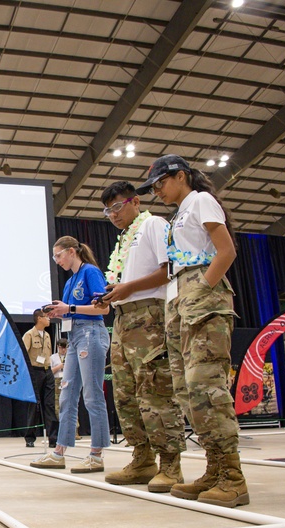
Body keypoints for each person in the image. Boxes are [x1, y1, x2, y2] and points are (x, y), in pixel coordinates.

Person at [136, 154, 248, 507]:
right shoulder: (177, 214)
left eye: (161, 183)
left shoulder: (200, 200)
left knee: (206, 386)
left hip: (200, 294)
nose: (157, 192)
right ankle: (215, 469)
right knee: (186, 390)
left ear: (181, 176)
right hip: (179, 299)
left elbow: (226, 250)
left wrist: (203, 288)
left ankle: (233, 477)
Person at [97, 181, 186, 492]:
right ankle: (142, 458)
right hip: (123, 318)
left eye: (117, 207)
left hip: (149, 316)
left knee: (155, 389)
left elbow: (170, 268)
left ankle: (171, 464)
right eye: (107, 210)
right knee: (125, 394)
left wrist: (129, 288)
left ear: (135, 202)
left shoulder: (153, 224)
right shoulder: (124, 238)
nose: (112, 215)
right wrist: (113, 294)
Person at [31, 236, 111, 473]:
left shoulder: (90, 272)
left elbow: (103, 307)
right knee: (67, 394)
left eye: (58, 256)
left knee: (92, 394)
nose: (57, 261)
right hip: (75, 336)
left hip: (91, 333)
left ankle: (96, 455)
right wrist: (60, 312)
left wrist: (70, 309)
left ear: (71, 251)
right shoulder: (69, 282)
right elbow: (70, 312)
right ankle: (59, 451)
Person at [21, 308, 58, 447]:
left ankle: (53, 439)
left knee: (49, 405)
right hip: (35, 371)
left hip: (47, 371)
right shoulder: (29, 335)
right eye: (46, 316)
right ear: (39, 319)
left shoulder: (47, 335)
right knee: (34, 405)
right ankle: (30, 438)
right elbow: (24, 355)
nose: (49, 318)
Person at [51, 339, 67, 415]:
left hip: (67, 381)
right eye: (61, 348)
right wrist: (59, 367)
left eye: (65, 348)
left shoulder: (70, 357)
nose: (63, 350)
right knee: (57, 403)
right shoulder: (53, 357)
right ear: (58, 347)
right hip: (56, 381)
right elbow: (50, 372)